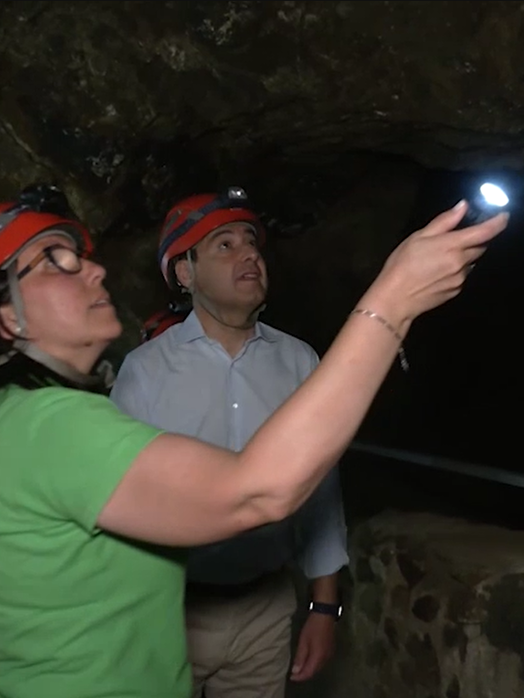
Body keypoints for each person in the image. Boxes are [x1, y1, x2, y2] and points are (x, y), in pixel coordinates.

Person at [0, 185, 507, 698]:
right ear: (9, 320)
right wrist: (393, 302)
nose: (93, 269)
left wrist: (322, 604)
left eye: (82, 257)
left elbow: (314, 493)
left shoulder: (11, 419)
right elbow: (256, 493)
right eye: (55, 261)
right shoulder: (48, 425)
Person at [111, 189, 347, 697]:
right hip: (170, 610)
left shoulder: (300, 361)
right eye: (224, 245)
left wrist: (324, 609)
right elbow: (122, 498)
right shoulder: (147, 371)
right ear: (184, 273)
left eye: (252, 244)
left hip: (266, 607)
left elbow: (322, 494)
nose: (249, 255)